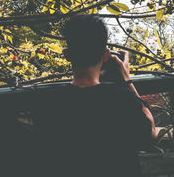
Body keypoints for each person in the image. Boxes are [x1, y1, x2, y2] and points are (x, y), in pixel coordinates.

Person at [31, 15, 157, 177]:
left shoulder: (48, 103)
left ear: (67, 55)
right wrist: (127, 80)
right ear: (106, 55)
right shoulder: (122, 99)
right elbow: (150, 135)